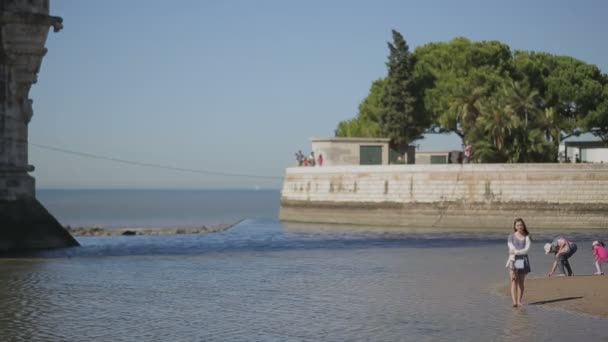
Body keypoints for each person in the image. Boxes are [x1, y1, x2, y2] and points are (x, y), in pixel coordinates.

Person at [505, 218, 531, 307]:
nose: (519, 227)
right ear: (515, 227)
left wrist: (517, 252)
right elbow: (510, 247)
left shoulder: (527, 236)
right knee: (513, 280)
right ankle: (514, 302)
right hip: (513, 259)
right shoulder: (511, 236)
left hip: (522, 260)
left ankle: (519, 301)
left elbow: (526, 250)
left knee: (520, 281)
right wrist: (515, 252)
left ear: (523, 226)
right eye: (517, 225)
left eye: (521, 225)